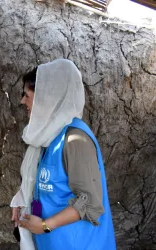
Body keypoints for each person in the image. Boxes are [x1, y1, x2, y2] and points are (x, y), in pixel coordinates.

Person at [10, 59, 116, 250]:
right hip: (53, 242)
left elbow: (90, 201)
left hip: (79, 243)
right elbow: (47, 183)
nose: (22, 101)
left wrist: (44, 225)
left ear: (46, 96)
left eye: (27, 95)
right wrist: (22, 199)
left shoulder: (75, 140)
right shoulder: (48, 135)